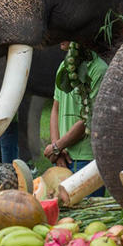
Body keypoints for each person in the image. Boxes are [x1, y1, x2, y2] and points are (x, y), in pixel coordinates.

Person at [44, 41, 106, 197]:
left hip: (87, 161)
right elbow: (55, 109)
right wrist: (57, 149)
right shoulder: (64, 67)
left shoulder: (99, 70)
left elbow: (88, 119)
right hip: (63, 158)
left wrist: (57, 146)